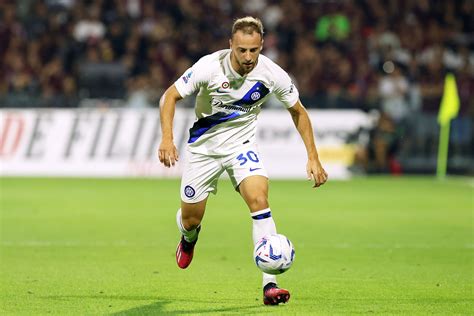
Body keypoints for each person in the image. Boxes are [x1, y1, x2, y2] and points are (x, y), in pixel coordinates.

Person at [158, 16, 328, 306]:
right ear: (231, 46)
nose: (248, 57)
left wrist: (313, 156)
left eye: (253, 50)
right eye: (242, 50)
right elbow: (170, 96)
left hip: (242, 146)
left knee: (260, 201)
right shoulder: (209, 67)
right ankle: (189, 238)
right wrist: (167, 139)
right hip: (204, 150)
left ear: (261, 46)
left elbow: (298, 111)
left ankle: (270, 285)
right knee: (191, 219)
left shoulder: (272, 74)